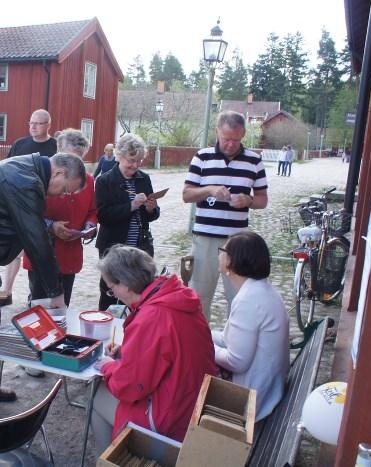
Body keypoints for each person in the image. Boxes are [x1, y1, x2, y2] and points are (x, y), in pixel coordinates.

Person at [0, 151, 86, 422]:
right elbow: (35, 241)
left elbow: (26, 218)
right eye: (65, 189)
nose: (62, 196)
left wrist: (49, 227)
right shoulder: (25, 181)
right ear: (60, 173)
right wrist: (56, 290)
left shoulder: (28, 172)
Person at [91, 245, 216, 453]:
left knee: (96, 399)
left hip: (171, 417)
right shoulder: (175, 295)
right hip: (193, 401)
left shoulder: (151, 317)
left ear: (126, 286)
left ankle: (111, 459)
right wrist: (127, 353)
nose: (112, 294)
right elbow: (167, 352)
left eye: (111, 288)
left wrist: (107, 366)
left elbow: (129, 386)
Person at [182, 111, 268, 320]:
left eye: (236, 139)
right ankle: (199, 342)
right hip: (205, 239)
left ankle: (236, 343)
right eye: (226, 138)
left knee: (239, 297)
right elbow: (186, 195)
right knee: (199, 296)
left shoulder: (254, 161)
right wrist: (209, 190)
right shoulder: (202, 157)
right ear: (217, 131)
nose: (231, 144)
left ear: (244, 134)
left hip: (238, 241)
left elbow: (262, 200)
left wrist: (248, 201)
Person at [213, 231, 289, 421]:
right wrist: (200, 331)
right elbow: (227, 338)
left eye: (222, 250)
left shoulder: (250, 299)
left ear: (232, 261)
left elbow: (236, 362)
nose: (219, 254)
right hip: (265, 387)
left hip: (253, 399)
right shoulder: (259, 290)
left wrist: (203, 345)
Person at [23, 128, 96, 307]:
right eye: (72, 157)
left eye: (80, 158)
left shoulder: (87, 181)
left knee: (63, 305)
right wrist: (52, 226)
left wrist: (89, 226)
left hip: (70, 254)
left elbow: (93, 210)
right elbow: (28, 216)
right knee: (40, 306)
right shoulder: (42, 178)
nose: (75, 163)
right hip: (42, 251)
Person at [95, 133, 160, 311]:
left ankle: (137, 328)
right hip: (113, 246)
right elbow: (103, 215)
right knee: (111, 292)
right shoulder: (105, 181)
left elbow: (152, 216)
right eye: (131, 160)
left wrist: (150, 208)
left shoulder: (143, 178)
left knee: (140, 292)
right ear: (119, 156)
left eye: (139, 161)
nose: (135, 165)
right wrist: (131, 206)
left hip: (139, 246)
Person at [0, 109, 58, 305]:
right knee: (14, 250)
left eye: (38, 123)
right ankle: (7, 291)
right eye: (31, 122)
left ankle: (38, 294)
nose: (33, 126)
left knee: (37, 248)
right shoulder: (20, 144)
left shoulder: (55, 147)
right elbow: (5, 169)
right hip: (17, 202)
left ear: (48, 125)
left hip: (43, 204)